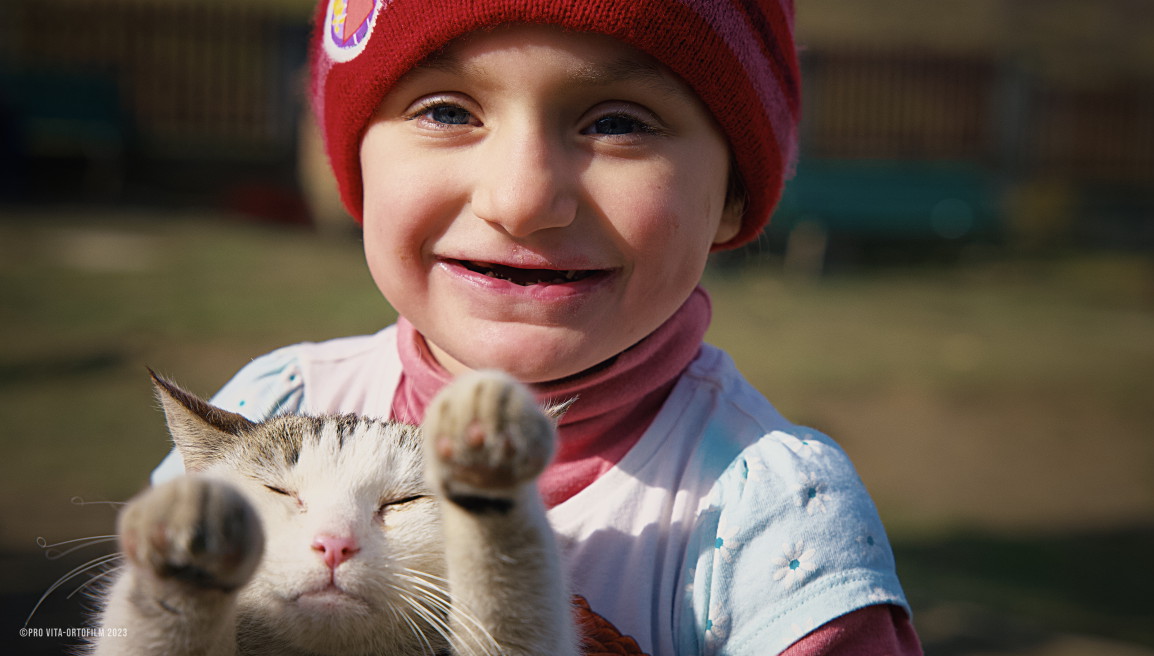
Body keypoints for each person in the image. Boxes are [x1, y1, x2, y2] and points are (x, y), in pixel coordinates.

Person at [154, 0, 921, 653]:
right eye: (447, 111)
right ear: (356, 164)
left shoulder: (773, 512)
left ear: (731, 197)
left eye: (618, 123)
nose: (521, 198)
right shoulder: (269, 408)